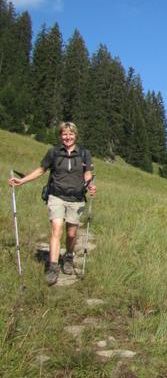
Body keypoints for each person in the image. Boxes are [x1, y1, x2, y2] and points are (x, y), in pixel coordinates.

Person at [8, 122, 96, 285]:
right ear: (60, 135)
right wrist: (22, 180)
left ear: (75, 135)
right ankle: (53, 267)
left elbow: (87, 173)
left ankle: (69, 256)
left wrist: (90, 185)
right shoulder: (53, 152)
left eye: (70, 134)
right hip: (56, 196)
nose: (67, 137)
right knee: (56, 228)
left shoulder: (84, 153)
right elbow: (41, 169)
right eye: (64, 134)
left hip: (76, 198)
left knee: (71, 233)